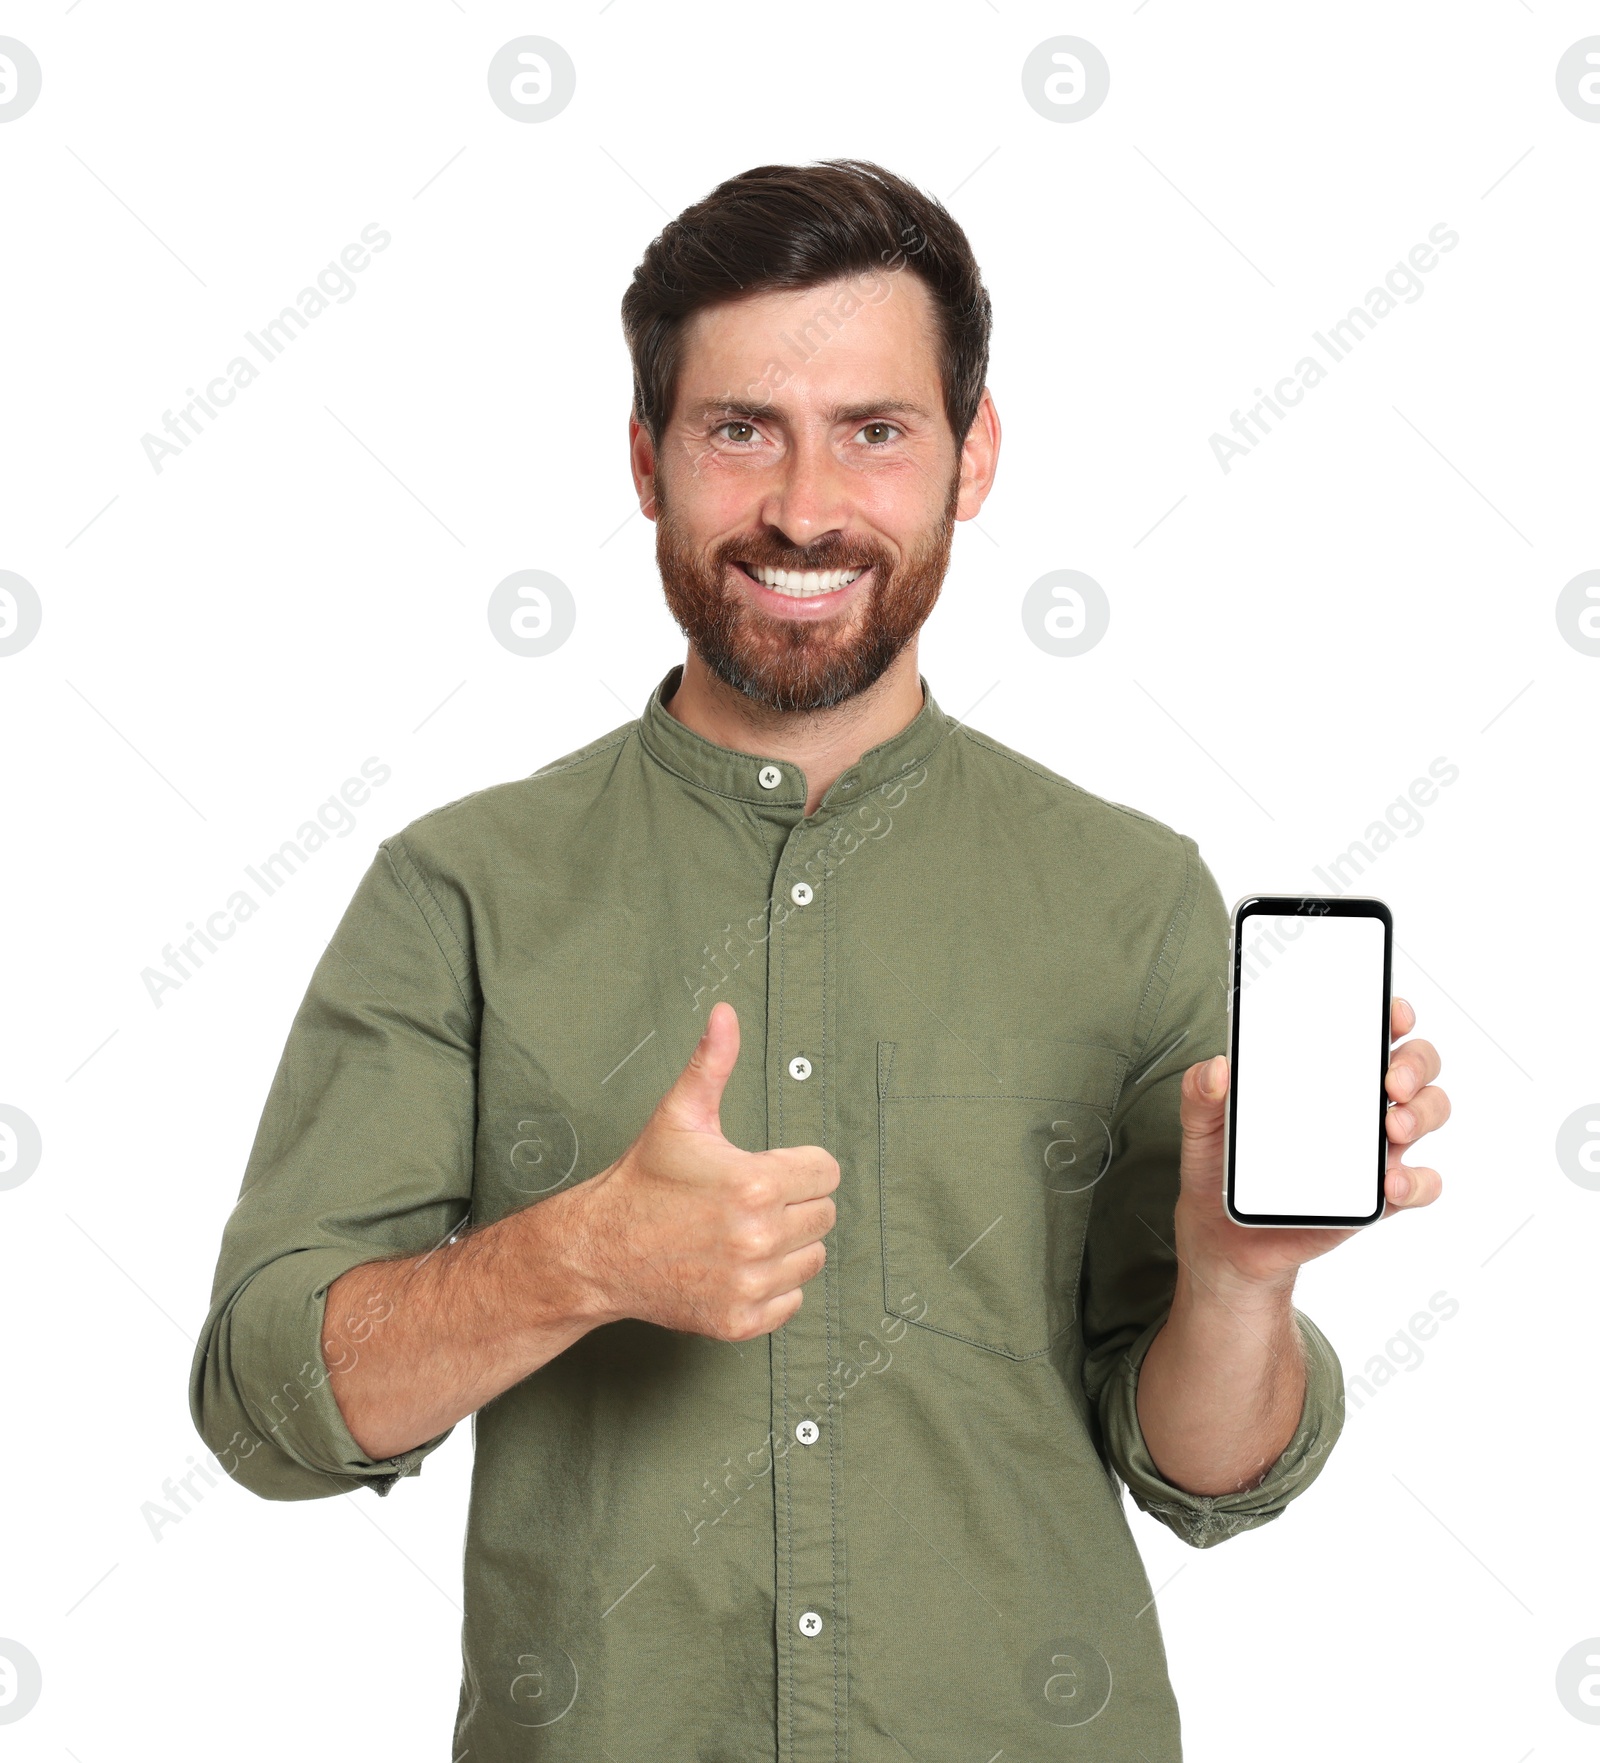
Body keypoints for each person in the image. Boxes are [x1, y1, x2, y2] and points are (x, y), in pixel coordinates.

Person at [190, 159, 1448, 1760]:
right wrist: (581, 1255)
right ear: (645, 462)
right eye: (738, 430)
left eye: (874, 428)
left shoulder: (1132, 895)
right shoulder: (460, 889)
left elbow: (1206, 1473)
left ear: (971, 455)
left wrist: (1240, 1280)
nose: (801, 508)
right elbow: (266, 1408)